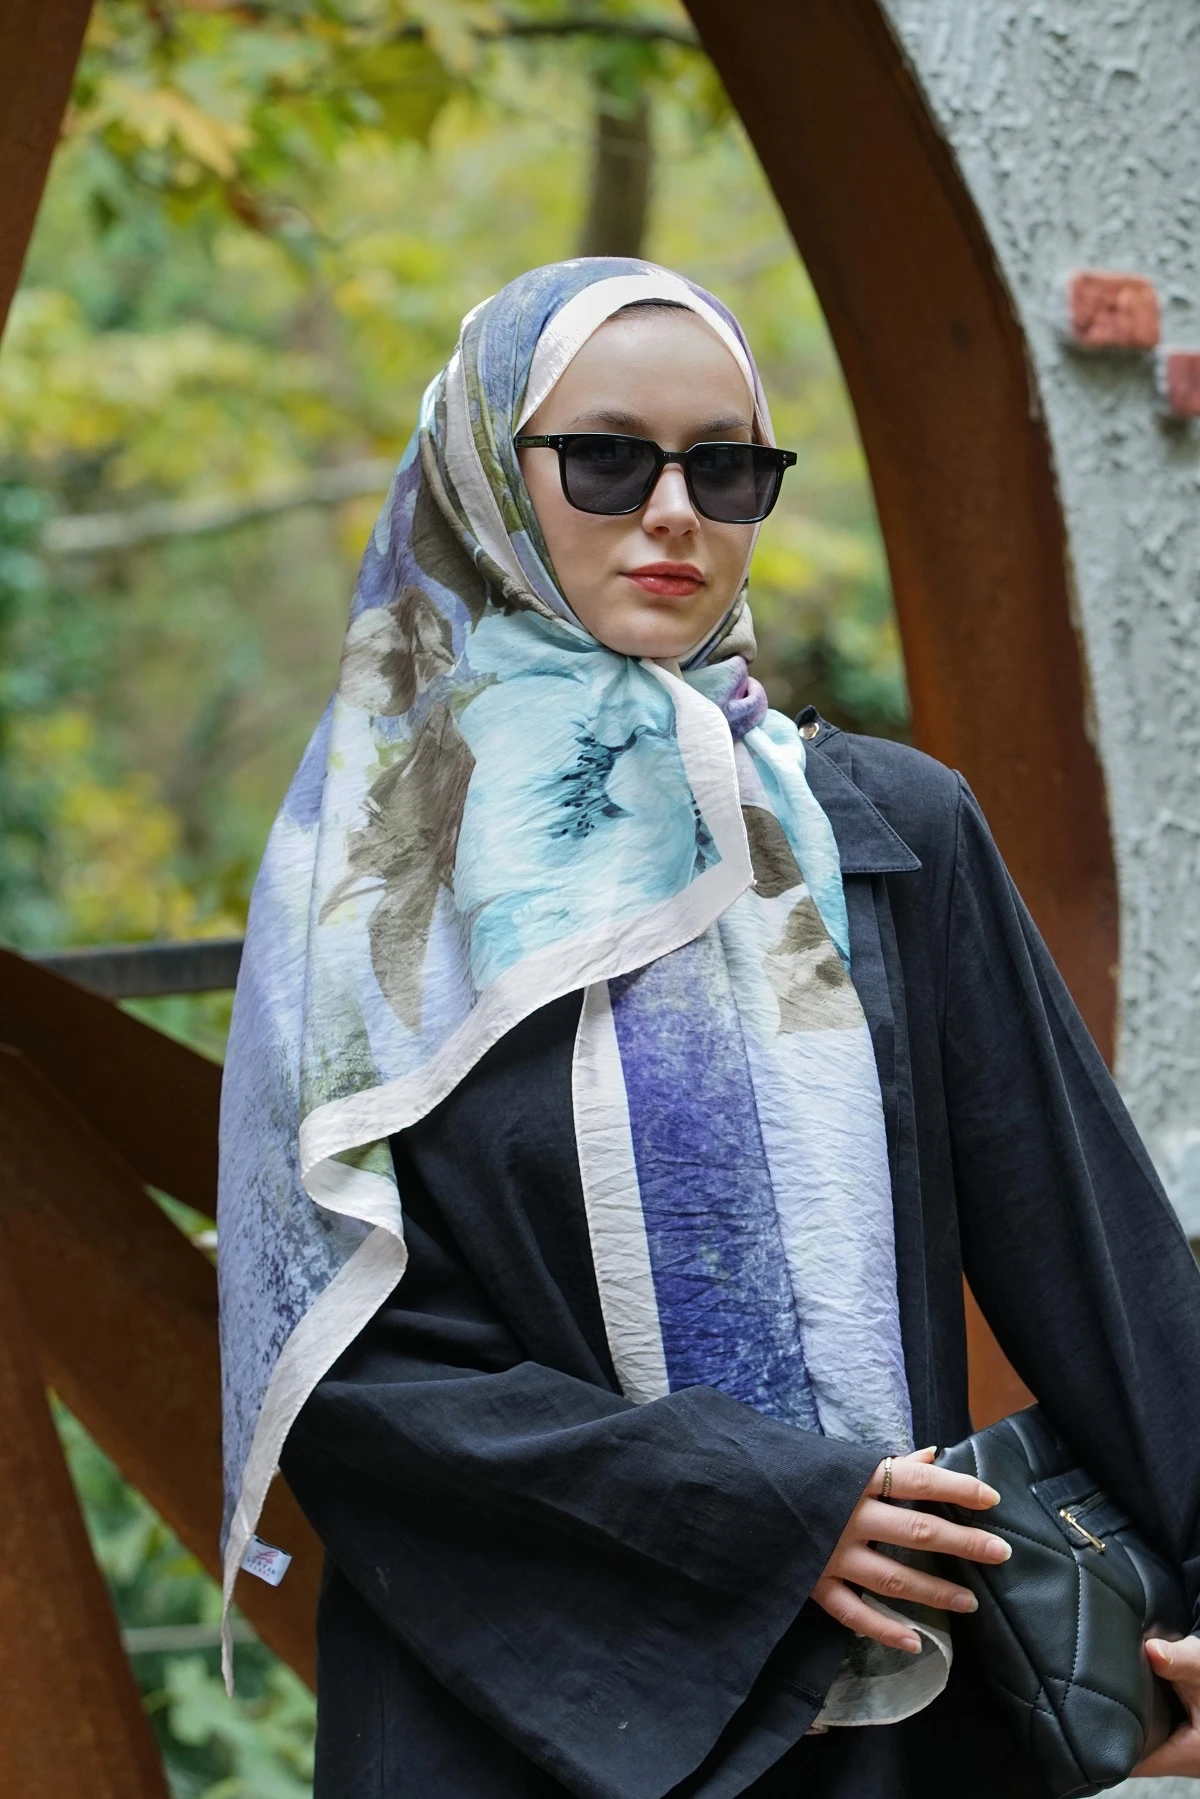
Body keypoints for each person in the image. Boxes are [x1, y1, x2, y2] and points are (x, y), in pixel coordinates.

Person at [217, 258, 1200, 1797]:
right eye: (606, 459)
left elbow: (1103, 1269)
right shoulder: (377, 881)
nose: (673, 511)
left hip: (898, 1707)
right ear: (486, 476)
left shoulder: (884, 832)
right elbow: (344, 1363)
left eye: (725, 467)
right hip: (500, 1717)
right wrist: (765, 1511)